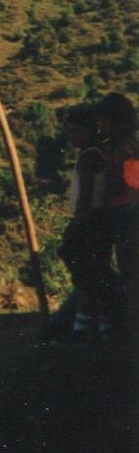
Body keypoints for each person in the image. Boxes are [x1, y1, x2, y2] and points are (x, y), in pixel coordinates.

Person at [55, 104, 106, 342]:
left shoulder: (89, 157)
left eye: (75, 131)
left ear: (89, 130)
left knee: (87, 273)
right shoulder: (97, 153)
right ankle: (96, 325)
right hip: (96, 219)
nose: (71, 136)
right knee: (93, 273)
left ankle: (83, 327)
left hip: (89, 220)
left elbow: (86, 194)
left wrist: (78, 222)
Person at [92, 92, 139, 335]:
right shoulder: (115, 147)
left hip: (128, 214)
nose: (100, 124)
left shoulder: (128, 147)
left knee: (131, 271)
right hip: (121, 213)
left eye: (104, 119)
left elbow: (133, 184)